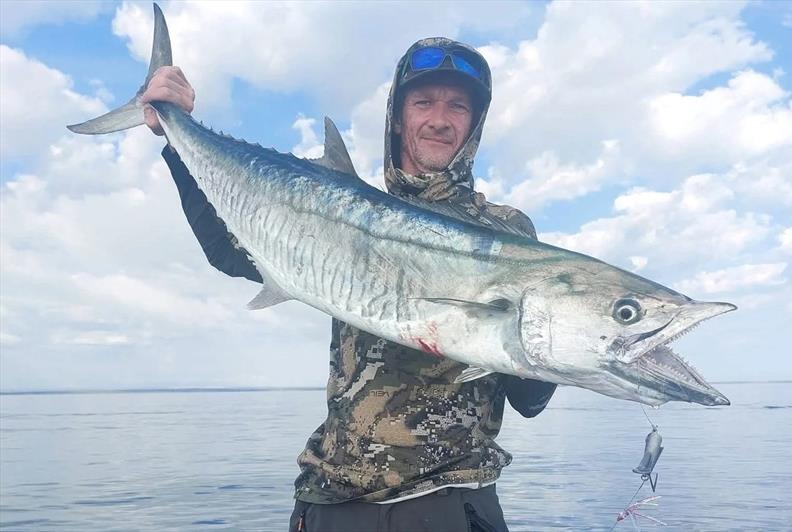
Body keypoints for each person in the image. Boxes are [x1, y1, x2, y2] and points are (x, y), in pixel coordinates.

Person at [143, 38, 557, 532]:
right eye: (424, 102)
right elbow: (230, 252)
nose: (440, 119)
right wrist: (174, 136)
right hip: (331, 497)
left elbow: (530, 400)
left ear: (474, 125)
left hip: (450, 501)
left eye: (459, 106)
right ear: (398, 118)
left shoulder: (506, 232)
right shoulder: (334, 213)